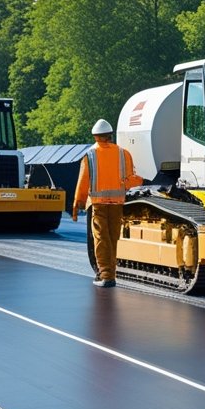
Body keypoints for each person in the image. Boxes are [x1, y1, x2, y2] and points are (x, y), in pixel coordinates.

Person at [74, 119, 143, 288]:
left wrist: (78, 204)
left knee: (101, 239)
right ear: (110, 136)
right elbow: (130, 180)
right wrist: (142, 181)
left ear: (95, 136)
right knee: (113, 239)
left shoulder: (89, 155)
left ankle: (106, 276)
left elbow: (83, 182)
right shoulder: (123, 153)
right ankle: (110, 273)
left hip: (98, 204)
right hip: (117, 203)